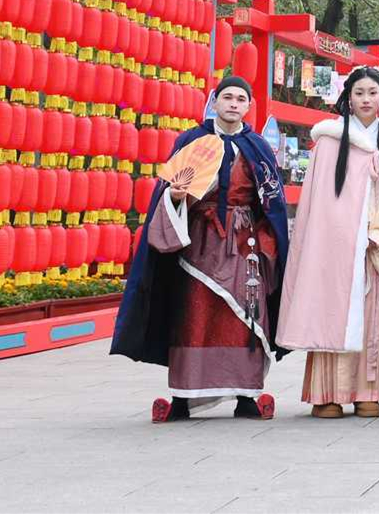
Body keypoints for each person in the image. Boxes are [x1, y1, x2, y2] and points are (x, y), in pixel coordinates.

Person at [113, 74, 289, 423]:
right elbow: (166, 193)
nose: (233, 104)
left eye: (240, 99)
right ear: (214, 101)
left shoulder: (257, 147)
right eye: (227, 97)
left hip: (244, 244)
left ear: (249, 106)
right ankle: (183, 396)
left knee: (246, 318)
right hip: (196, 242)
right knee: (192, 315)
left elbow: (273, 203)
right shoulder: (191, 141)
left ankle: (246, 395)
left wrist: (270, 243)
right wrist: (175, 195)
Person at [276, 66, 379, 418]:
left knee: (373, 316)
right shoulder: (329, 141)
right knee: (332, 311)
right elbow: (319, 203)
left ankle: (369, 391)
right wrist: (345, 232)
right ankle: (327, 394)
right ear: (348, 98)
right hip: (335, 245)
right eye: (359, 93)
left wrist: (378, 232)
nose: (366, 99)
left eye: (372, 93)